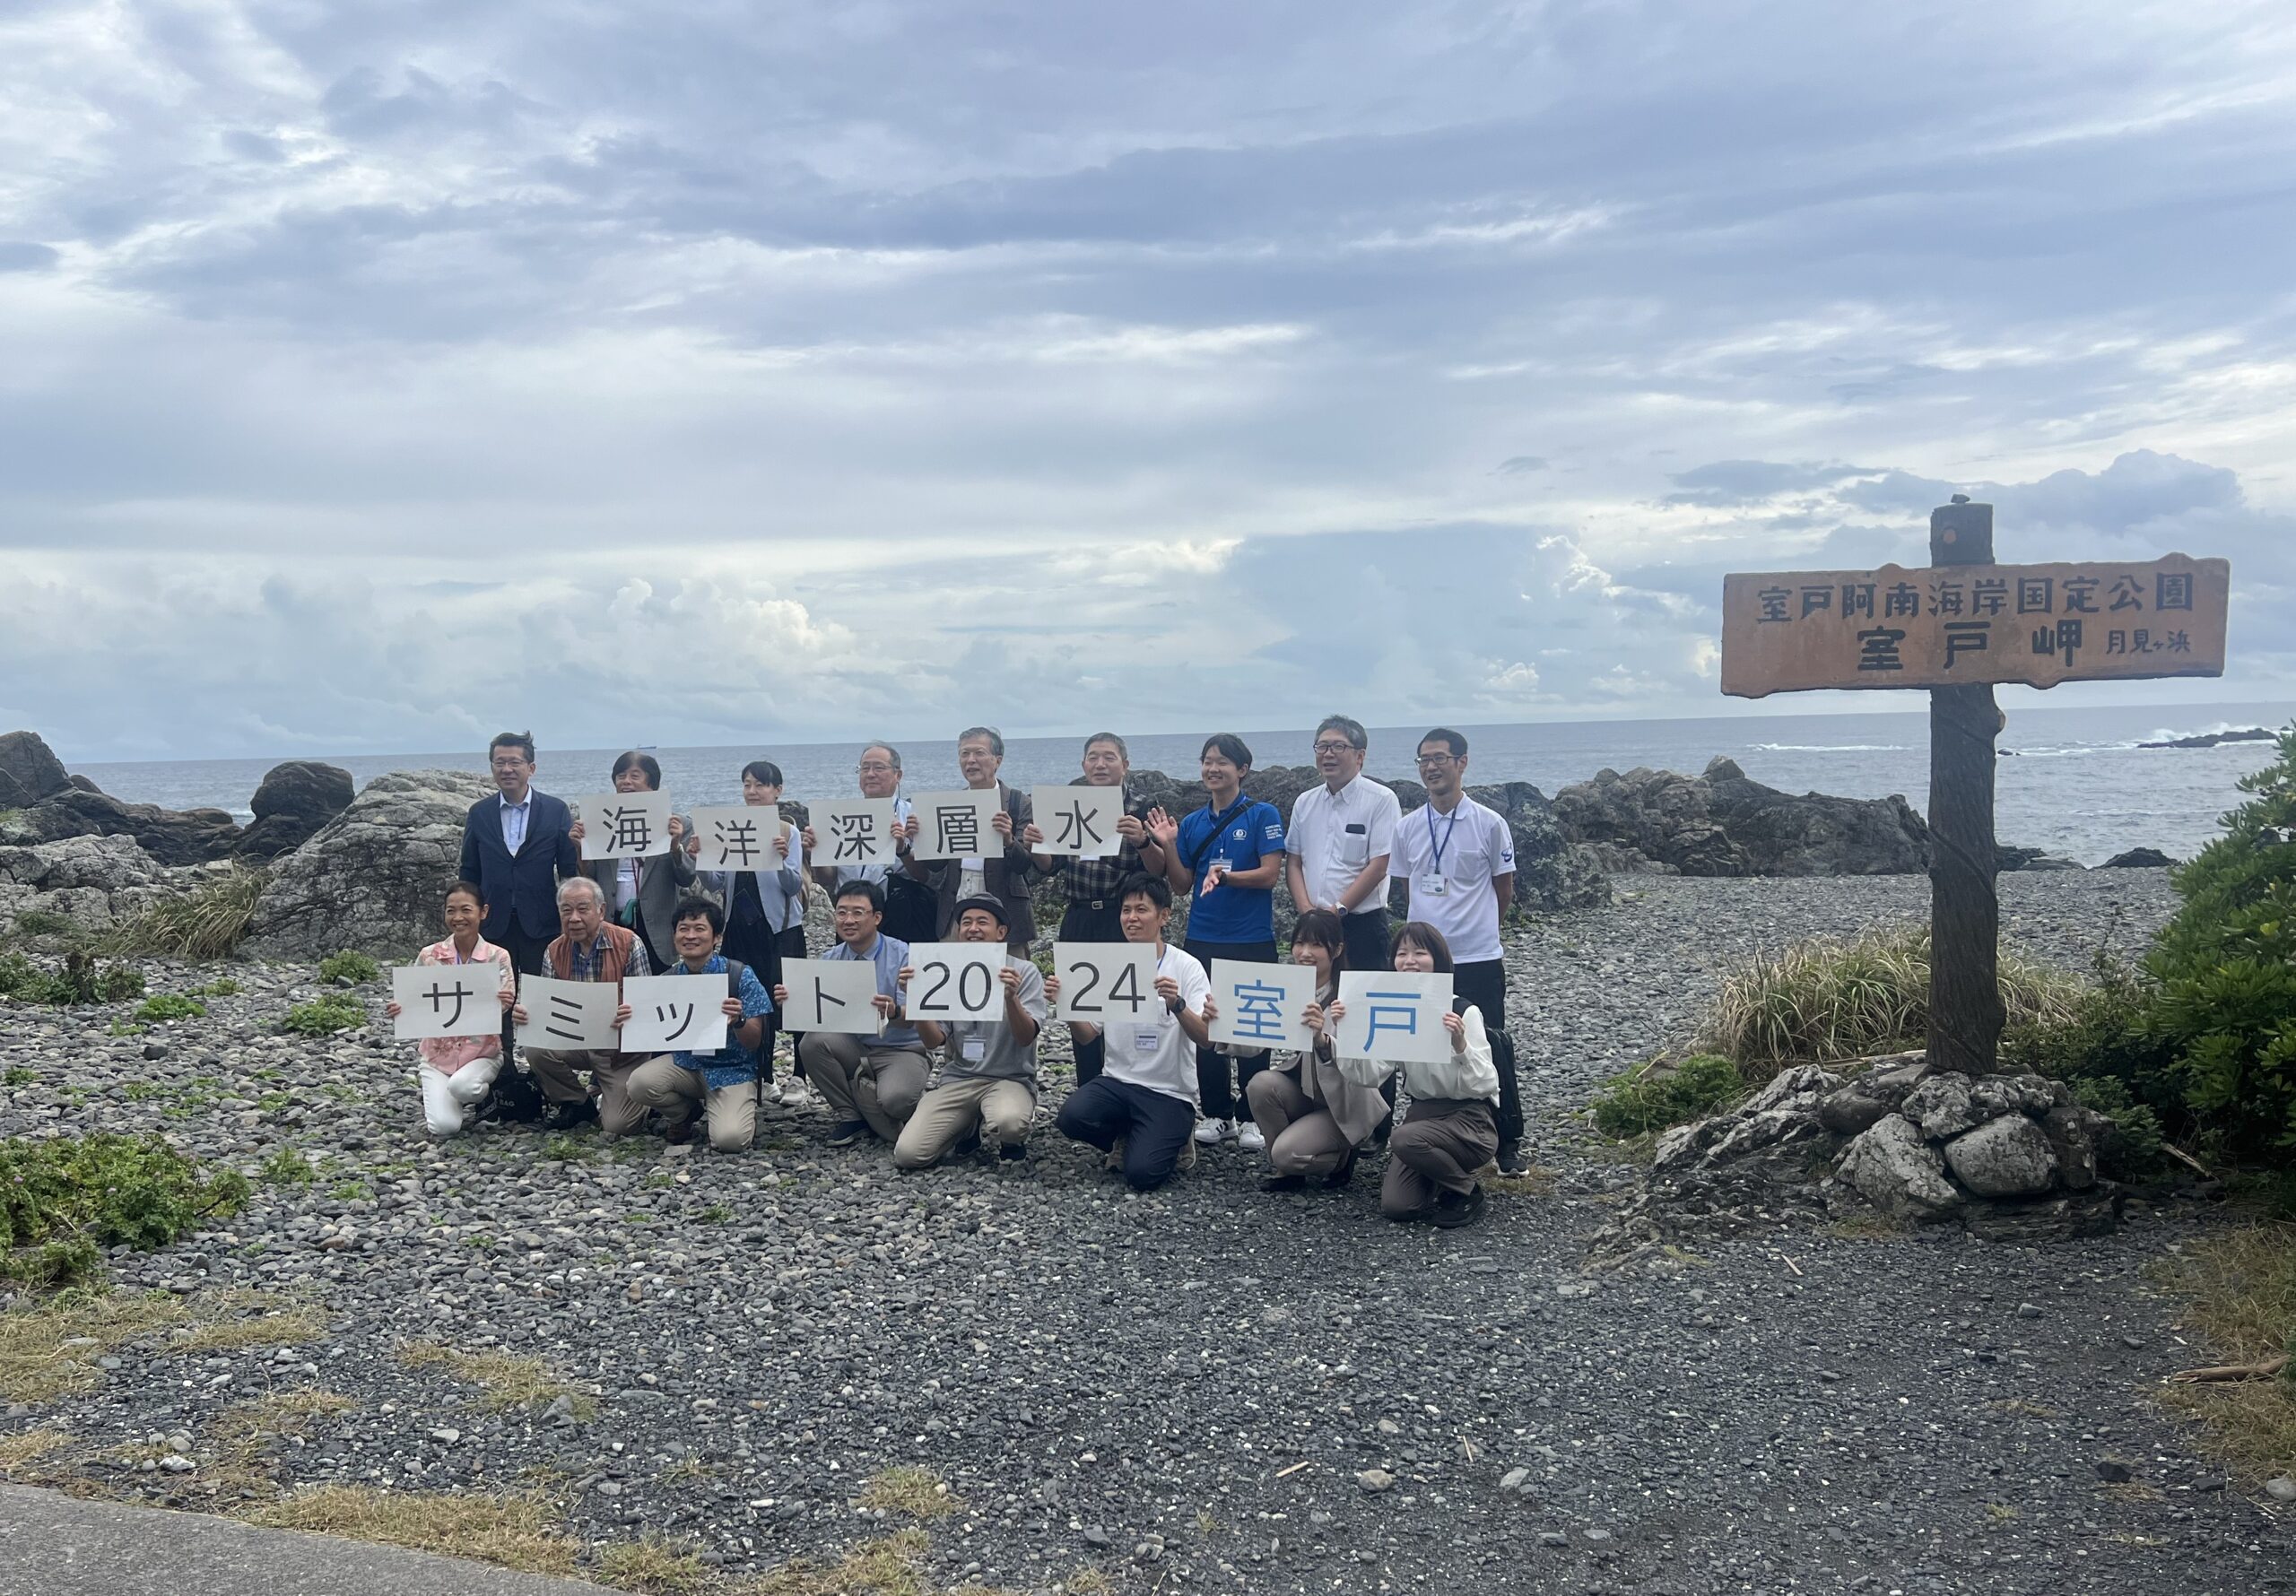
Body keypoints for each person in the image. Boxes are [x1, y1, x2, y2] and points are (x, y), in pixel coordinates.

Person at [1389, 727, 1528, 1173]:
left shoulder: (1489, 823)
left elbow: (1502, 888)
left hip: (1477, 956)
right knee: (1418, 1041)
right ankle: (1429, 1127)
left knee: (1490, 1044)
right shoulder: (1408, 826)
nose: (1431, 767)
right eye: (1423, 760)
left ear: (1462, 762)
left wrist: (1484, 928)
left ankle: (1505, 1138)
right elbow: (1408, 888)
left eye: (1440, 758)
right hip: (1422, 963)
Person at [1145, 733, 1284, 1151]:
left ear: (1242, 769)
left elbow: (1269, 874)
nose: (1212, 769)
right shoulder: (1191, 823)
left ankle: (1251, 1118)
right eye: (1207, 761)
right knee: (1204, 1025)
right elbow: (1182, 885)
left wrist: (1227, 877)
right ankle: (1218, 1114)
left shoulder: (1262, 814)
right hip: (1202, 938)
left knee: (1252, 1026)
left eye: (1222, 762)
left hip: (1253, 938)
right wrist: (1168, 845)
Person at [1049, 874, 1211, 1192]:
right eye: (1126, 910)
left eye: (1142, 910)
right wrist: (1065, 1004)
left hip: (1169, 1093)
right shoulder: (1109, 963)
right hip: (1118, 1083)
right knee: (1070, 1117)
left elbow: (1206, 1038)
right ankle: (1127, 1135)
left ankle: (1178, 1137)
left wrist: (1177, 1005)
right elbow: (1086, 1036)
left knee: (1142, 1175)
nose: (1132, 918)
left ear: (1164, 916)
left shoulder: (1187, 967)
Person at [1331, 923, 1499, 1228]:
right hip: (1423, 1117)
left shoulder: (1462, 1011)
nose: (1409, 961)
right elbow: (1369, 1075)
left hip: (1469, 1120)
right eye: (1401, 953)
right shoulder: (1395, 1010)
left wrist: (1460, 1045)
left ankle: (1467, 1191)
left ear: (1438, 960)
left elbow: (1487, 1083)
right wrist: (1348, 1033)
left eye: (1420, 953)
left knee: (1404, 1138)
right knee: (1398, 1206)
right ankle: (1440, 1174)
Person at [1221, 909, 1385, 1191]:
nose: (1305, 952)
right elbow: (1253, 1043)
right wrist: (1219, 1027)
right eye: (1299, 943)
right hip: (1308, 1093)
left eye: (1317, 945)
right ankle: (1291, 1170)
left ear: (1337, 949)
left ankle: (1339, 1158)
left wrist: (1324, 1042)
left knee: (1285, 1155)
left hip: (1344, 1104)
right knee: (1259, 1085)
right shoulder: (1288, 989)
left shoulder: (1353, 996)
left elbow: (1374, 1070)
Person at [1039, 733, 1166, 1086]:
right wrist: (1036, 843)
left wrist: (1141, 840)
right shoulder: (1068, 801)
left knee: (1126, 1005)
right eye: (1093, 757)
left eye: (1109, 757)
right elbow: (1049, 865)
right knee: (1077, 1003)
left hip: (1122, 917)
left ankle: (1130, 1085)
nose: (1100, 764)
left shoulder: (1142, 805)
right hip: (1079, 914)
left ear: (1125, 765)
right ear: (1083, 765)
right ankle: (1089, 1089)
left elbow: (1160, 869)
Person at [778, 880, 939, 1148]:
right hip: (854, 1048)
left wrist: (894, 1010)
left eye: (857, 912)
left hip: (901, 1049)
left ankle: (874, 1107)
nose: (847, 920)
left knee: (896, 1101)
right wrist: (792, 1001)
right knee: (812, 1043)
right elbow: (819, 1015)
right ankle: (852, 1116)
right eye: (841, 912)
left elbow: (919, 1013)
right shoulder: (831, 958)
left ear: (877, 917)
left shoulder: (903, 955)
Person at [891, 895, 1046, 1169]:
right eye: (966, 923)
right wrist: (917, 1001)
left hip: (1010, 1078)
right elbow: (934, 1041)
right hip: (959, 1078)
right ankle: (966, 1125)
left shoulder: (1024, 971)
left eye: (982, 922)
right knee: (908, 1154)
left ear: (1001, 932)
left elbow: (1026, 1037)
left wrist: (1011, 999)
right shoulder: (945, 971)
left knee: (1009, 1124)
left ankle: (1010, 1139)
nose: (972, 928)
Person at [694, 759, 810, 1106]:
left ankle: (800, 1076)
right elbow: (715, 883)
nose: (752, 792)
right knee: (751, 1002)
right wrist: (701, 857)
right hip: (739, 929)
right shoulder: (731, 828)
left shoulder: (788, 832)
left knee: (790, 999)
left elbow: (793, 886)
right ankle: (765, 1075)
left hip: (779, 928)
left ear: (778, 790)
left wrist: (779, 857)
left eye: (760, 785)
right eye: (747, 785)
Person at [625, 895, 774, 1153]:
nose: (690, 936)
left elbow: (755, 1041)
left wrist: (738, 1021)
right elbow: (650, 1031)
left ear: (717, 937)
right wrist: (629, 1017)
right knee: (638, 1084)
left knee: (730, 1140)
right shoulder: (667, 979)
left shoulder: (739, 975)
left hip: (732, 1068)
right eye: (683, 929)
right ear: (674, 937)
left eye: (699, 929)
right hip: (686, 1064)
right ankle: (685, 1113)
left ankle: (731, 1108)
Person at [514, 876, 649, 1133]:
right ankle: (577, 1102)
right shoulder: (554, 950)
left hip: (618, 1051)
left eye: (583, 909)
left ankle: (629, 1094)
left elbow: (645, 1007)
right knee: (535, 1049)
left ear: (601, 910)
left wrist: (632, 1013)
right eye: (566, 910)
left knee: (619, 1126)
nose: (574, 918)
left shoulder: (630, 943)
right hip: (574, 1042)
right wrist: (528, 1015)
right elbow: (547, 1009)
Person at [383, 880, 517, 1139]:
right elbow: (414, 999)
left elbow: (502, 1005)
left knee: (464, 1087)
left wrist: (504, 1001)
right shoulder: (429, 955)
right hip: (436, 1056)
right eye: (450, 910)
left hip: (482, 1052)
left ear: (483, 912)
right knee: (445, 1128)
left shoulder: (498, 956)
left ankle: (482, 1095)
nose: (458, 917)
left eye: (466, 910)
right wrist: (400, 1008)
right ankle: (449, 1094)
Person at [1284, 715, 1402, 977]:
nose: (1328, 754)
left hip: (1362, 923)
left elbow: (1381, 864)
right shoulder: (1305, 802)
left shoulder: (1381, 799)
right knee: (1313, 1001)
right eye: (1322, 746)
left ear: (1360, 756)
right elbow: (1293, 860)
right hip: (1313, 922)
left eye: (1338, 747)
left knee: (1363, 1000)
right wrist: (1306, 911)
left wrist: (1337, 909)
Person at [457, 730, 578, 977]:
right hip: (493, 923)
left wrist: (569, 915)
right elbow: (469, 870)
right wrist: (469, 914)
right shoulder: (479, 813)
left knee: (541, 996)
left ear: (531, 767)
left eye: (514, 762)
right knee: (496, 998)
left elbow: (568, 871)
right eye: (499, 763)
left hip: (542, 921)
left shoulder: (555, 810)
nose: (507, 769)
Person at [925, 726, 1048, 952]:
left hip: (1006, 918)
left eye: (979, 753)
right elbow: (936, 865)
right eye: (964, 754)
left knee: (1011, 984)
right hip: (956, 915)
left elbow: (1024, 865)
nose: (970, 761)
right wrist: (920, 838)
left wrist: (1008, 841)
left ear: (997, 760)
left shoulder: (1018, 802)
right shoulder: (950, 804)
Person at [574, 750, 694, 975]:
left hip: (655, 923)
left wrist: (675, 846)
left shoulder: (677, 823)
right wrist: (580, 850)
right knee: (613, 986)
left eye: (634, 776)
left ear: (652, 785)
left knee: (656, 989)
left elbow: (687, 878)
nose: (626, 782)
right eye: (621, 776)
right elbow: (588, 878)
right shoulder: (599, 822)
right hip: (611, 920)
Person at [806, 742, 935, 947]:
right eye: (864, 768)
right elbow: (828, 879)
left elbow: (927, 877)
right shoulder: (841, 817)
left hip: (901, 913)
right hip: (852, 914)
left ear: (898, 775)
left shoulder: (914, 815)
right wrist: (817, 853)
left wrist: (902, 850)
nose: (870, 774)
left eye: (879, 767)